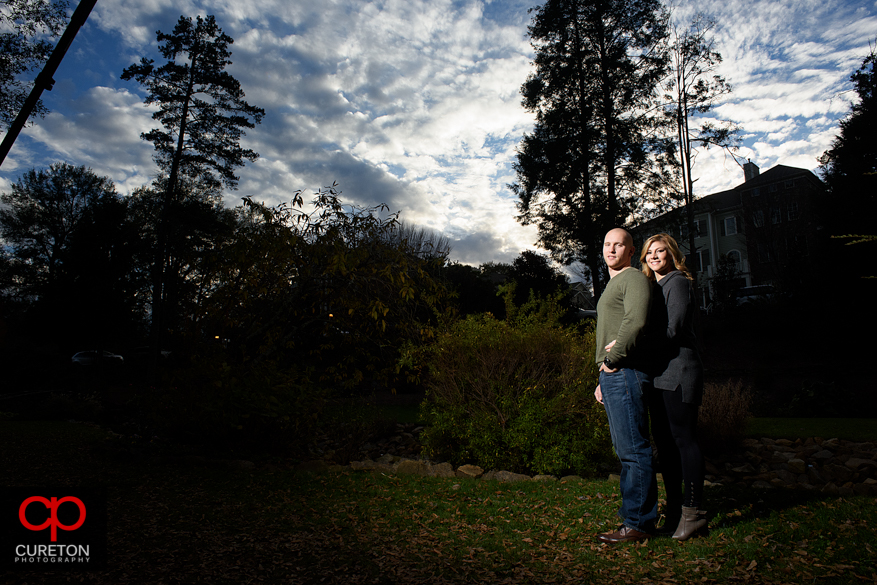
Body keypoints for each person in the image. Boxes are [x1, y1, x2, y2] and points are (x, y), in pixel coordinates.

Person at [640, 233, 707, 540]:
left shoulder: (677, 281)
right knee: (665, 447)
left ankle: (694, 514)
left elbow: (673, 330)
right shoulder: (654, 287)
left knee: (683, 440)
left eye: (660, 250)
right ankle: (676, 511)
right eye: (649, 252)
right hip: (658, 375)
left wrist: (630, 346)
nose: (654, 256)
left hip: (679, 371)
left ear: (671, 254)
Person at [593, 228, 657, 544]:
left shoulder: (632, 279)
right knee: (626, 450)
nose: (612, 249)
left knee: (633, 450)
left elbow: (636, 321)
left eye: (619, 244)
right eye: (607, 244)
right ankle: (634, 520)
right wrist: (602, 378)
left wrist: (613, 360)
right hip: (615, 374)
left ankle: (639, 523)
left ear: (631, 251)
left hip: (626, 370)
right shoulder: (614, 283)